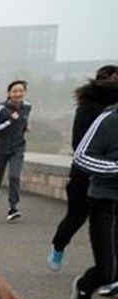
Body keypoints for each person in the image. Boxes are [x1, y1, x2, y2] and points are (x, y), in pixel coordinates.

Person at [48, 65, 118, 271]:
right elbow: (78, 145)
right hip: (84, 175)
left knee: (110, 227)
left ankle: (109, 272)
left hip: (110, 181)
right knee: (76, 216)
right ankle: (58, 245)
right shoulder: (87, 108)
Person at [70, 104, 118, 299]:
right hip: (105, 202)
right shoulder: (109, 119)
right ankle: (85, 286)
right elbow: (81, 156)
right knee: (108, 271)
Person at [0, 80, 32, 221]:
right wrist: (10, 121)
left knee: (14, 176)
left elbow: (24, 120)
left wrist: (26, 126)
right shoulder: (1, 108)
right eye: (15, 91)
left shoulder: (28, 107)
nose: (18, 94)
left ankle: (13, 208)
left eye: (21, 91)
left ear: (24, 92)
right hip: (1, 149)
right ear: (9, 93)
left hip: (18, 147)